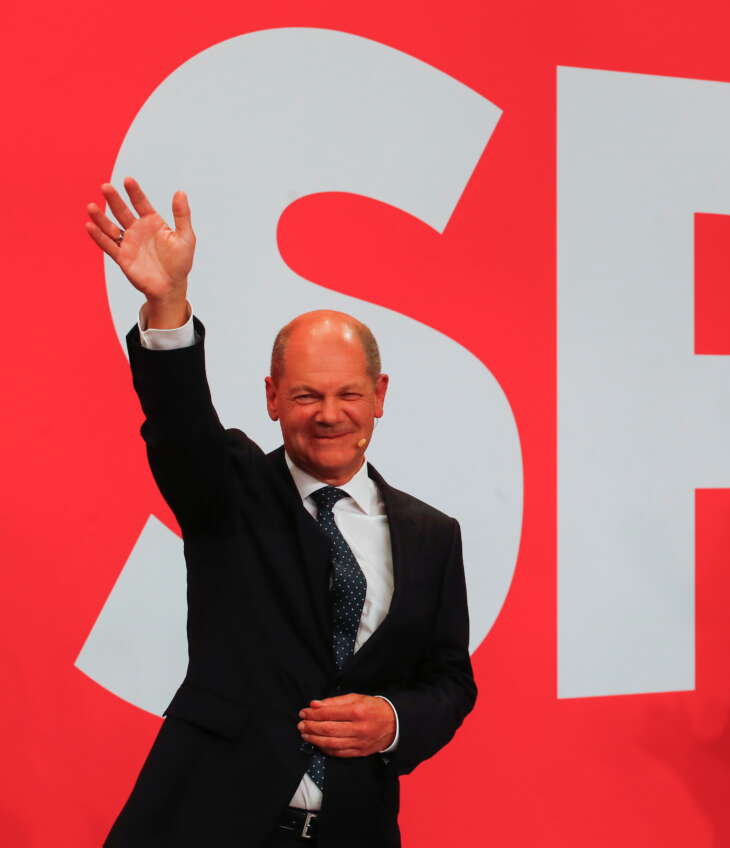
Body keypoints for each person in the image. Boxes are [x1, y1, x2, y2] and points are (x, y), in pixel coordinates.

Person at [85, 178, 476, 846]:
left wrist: (393, 720)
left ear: (379, 396)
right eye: (305, 396)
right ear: (271, 398)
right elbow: (180, 424)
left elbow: (450, 682)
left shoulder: (432, 535)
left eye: (348, 394)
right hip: (204, 823)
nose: (329, 415)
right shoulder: (229, 488)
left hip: (353, 829)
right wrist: (168, 305)